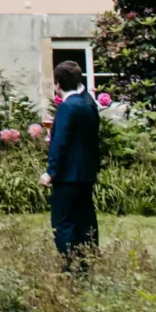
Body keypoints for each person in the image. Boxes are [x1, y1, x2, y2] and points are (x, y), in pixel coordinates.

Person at [44, 58, 102, 267]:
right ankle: (86, 261)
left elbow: (59, 142)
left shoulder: (68, 108)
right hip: (86, 173)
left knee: (64, 222)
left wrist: (51, 171)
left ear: (58, 84)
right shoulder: (88, 104)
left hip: (68, 175)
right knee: (85, 219)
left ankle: (70, 265)